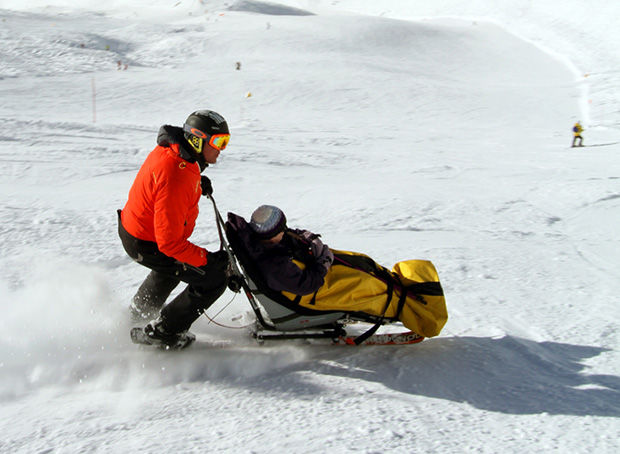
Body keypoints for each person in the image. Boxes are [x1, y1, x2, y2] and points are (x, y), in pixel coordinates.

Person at [118, 109, 231, 348]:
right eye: (219, 142)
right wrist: (206, 260)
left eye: (225, 141)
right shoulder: (178, 174)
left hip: (139, 232)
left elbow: (164, 186)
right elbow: (169, 244)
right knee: (213, 278)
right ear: (198, 140)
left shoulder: (179, 156)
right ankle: (164, 332)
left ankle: (137, 315)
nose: (222, 149)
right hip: (147, 242)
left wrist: (196, 182)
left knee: (172, 270)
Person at [242, 205, 334, 295]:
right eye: (282, 229)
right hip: (319, 290)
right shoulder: (275, 266)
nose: (285, 231)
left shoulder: (263, 240)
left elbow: (286, 234)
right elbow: (305, 286)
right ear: (271, 237)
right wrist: (323, 264)